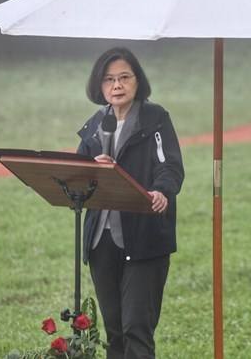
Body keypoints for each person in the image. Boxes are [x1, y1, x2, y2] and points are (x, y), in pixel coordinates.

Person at [77, 47, 184, 359]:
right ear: (99, 86)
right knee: (114, 331)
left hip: (144, 236)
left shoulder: (155, 119)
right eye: (109, 79)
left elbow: (170, 165)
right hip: (101, 240)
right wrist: (92, 167)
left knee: (136, 327)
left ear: (138, 81)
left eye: (124, 77)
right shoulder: (96, 124)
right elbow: (77, 174)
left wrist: (162, 190)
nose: (117, 85)